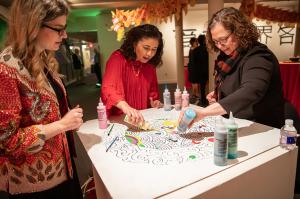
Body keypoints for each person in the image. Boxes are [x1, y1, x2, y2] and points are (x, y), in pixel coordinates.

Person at [0, 0, 83, 199]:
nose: (64, 35)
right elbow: (7, 140)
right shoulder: (6, 70)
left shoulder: (43, 59)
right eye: (58, 29)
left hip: (62, 169)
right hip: (35, 184)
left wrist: (68, 118)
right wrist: (62, 125)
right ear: (33, 25)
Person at [188, 7, 284, 128]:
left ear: (239, 31)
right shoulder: (228, 56)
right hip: (237, 122)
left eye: (223, 39)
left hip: (263, 124)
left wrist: (204, 112)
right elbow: (235, 84)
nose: (220, 46)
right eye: (215, 41)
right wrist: (219, 94)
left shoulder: (258, 56)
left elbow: (250, 91)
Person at [101, 24, 163, 124]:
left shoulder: (149, 65)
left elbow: (152, 92)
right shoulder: (117, 59)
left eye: (154, 49)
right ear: (134, 44)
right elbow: (108, 87)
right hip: (120, 118)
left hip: (140, 118)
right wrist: (125, 106)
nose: (149, 54)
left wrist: (154, 102)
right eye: (146, 48)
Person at [189, 35, 209, 106]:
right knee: (206, 87)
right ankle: (207, 100)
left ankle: (203, 100)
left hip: (199, 72)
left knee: (202, 87)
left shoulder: (195, 50)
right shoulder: (207, 49)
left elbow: (194, 63)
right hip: (207, 71)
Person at [187, 37, 200, 103]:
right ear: (193, 42)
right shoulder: (194, 50)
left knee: (194, 81)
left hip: (193, 67)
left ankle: (195, 94)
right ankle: (196, 94)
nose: (197, 43)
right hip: (193, 68)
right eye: (196, 42)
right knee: (194, 81)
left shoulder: (191, 49)